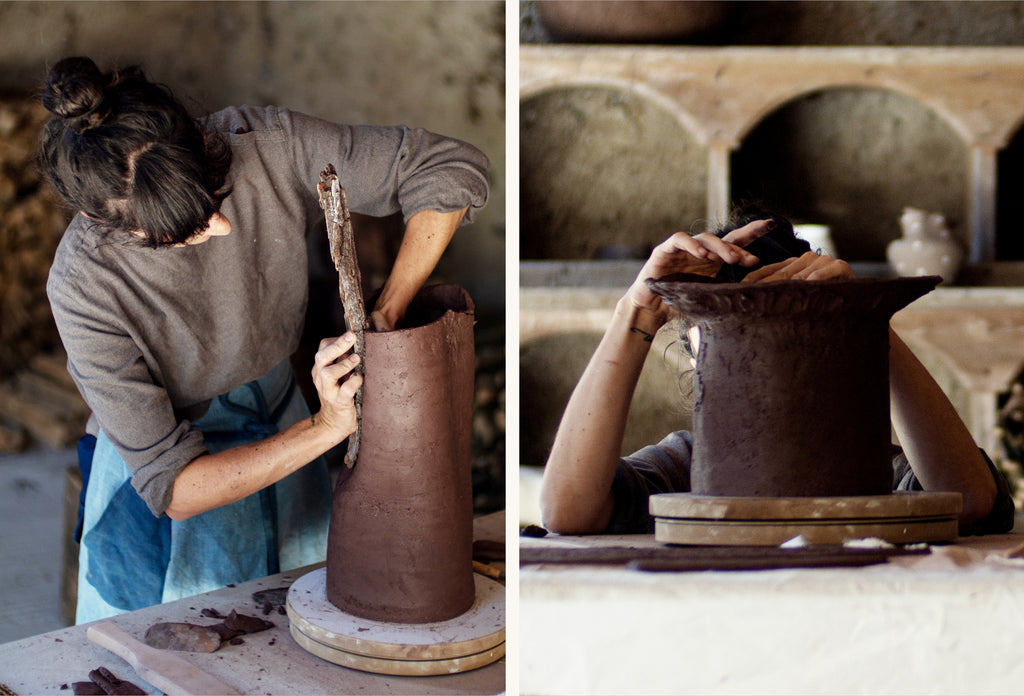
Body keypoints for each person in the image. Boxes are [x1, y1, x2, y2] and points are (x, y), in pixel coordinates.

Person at [39, 56, 490, 622]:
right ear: (99, 218)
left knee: (300, 634)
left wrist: (390, 305)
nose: (222, 227)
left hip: (282, 415)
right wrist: (326, 427)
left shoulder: (263, 143)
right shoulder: (84, 285)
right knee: (168, 656)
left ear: (198, 137)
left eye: (217, 198)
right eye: (187, 230)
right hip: (181, 469)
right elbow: (176, 488)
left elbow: (449, 167)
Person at [540, 209, 1015, 537]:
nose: (764, 346)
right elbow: (567, 511)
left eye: (793, 326)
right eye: (736, 324)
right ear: (692, 351)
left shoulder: (876, 472)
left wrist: (860, 315)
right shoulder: (684, 469)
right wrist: (636, 312)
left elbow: (967, 501)